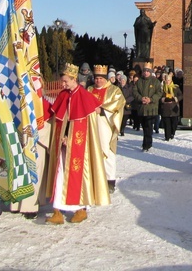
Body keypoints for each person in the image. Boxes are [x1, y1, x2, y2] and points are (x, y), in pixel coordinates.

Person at [45, 64, 109, 225]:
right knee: (59, 175)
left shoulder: (84, 95)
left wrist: (70, 137)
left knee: (77, 175)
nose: (63, 84)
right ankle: (57, 211)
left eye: (66, 81)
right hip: (62, 144)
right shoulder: (63, 95)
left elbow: (89, 121)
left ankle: (80, 209)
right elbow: (56, 114)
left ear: (74, 79)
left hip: (78, 146)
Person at [89, 65, 125, 194]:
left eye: (100, 78)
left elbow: (119, 103)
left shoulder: (114, 90)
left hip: (106, 125)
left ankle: (110, 181)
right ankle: (94, 179)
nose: (98, 80)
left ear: (106, 79)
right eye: (96, 78)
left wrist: (103, 110)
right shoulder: (89, 89)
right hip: (91, 124)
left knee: (107, 152)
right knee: (92, 151)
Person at [133, 63, 162, 152]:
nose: (146, 73)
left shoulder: (155, 81)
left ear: (150, 72)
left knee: (148, 127)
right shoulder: (139, 81)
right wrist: (141, 98)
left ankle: (147, 144)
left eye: (147, 71)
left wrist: (151, 99)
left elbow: (159, 93)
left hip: (151, 108)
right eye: (144, 71)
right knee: (144, 126)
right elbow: (135, 91)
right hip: (142, 108)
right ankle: (146, 142)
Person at [160, 73, 182, 141]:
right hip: (165, 107)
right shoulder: (162, 88)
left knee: (174, 123)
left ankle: (172, 133)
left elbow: (181, 95)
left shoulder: (176, 87)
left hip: (174, 107)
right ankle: (167, 136)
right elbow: (159, 96)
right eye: (166, 80)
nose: (167, 81)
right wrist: (162, 99)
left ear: (171, 80)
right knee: (167, 123)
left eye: (169, 80)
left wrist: (176, 99)